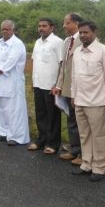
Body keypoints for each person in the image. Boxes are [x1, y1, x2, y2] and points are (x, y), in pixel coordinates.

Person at [70, 21, 105, 182]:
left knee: (99, 136)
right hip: (80, 100)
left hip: (97, 101)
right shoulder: (77, 51)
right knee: (84, 135)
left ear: (94, 32)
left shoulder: (104, 51)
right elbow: (74, 76)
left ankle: (100, 168)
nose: (83, 35)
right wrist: (73, 96)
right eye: (81, 32)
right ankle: (86, 164)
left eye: (86, 32)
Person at [0, 20, 30, 146]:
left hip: (12, 82)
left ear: (13, 30)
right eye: (2, 29)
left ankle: (16, 136)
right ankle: (3, 133)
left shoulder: (17, 44)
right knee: (2, 108)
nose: (4, 31)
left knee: (13, 109)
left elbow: (10, 63)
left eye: (7, 29)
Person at [28, 18, 64, 154]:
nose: (41, 28)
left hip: (51, 86)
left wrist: (57, 84)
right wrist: (33, 81)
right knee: (40, 114)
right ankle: (41, 140)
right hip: (38, 84)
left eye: (44, 26)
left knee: (53, 116)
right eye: (39, 26)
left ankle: (53, 144)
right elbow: (34, 62)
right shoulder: (37, 42)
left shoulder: (58, 42)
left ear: (52, 27)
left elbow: (62, 64)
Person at [52, 12, 83, 165]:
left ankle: (84, 154)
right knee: (71, 120)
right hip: (67, 88)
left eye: (67, 23)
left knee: (81, 122)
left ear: (76, 23)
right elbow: (63, 66)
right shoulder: (66, 41)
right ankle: (75, 149)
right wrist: (59, 85)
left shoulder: (84, 39)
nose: (64, 26)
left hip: (80, 89)